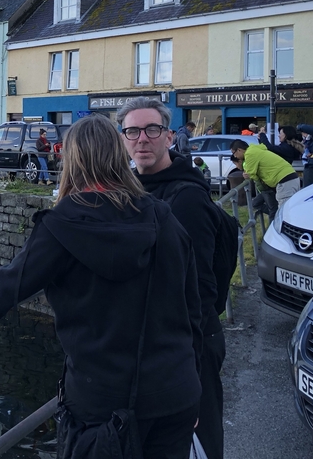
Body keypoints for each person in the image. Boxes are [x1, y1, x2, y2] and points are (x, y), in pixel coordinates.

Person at [0, 114, 201, 459]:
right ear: (120, 155)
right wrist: (195, 386)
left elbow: (2, 291)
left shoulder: (63, 226)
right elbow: (193, 311)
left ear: (71, 160)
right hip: (174, 394)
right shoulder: (165, 217)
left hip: (101, 406)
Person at [116, 96, 225, 459]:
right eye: (132, 131)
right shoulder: (129, 190)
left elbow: (200, 293)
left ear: (168, 136)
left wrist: (190, 378)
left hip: (187, 348)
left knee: (195, 443)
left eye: (151, 129)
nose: (141, 139)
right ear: (123, 138)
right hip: (149, 345)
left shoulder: (186, 198)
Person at [230, 140, 301, 213]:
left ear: (239, 150)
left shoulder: (249, 154)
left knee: (284, 211)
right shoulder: (255, 149)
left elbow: (250, 174)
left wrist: (247, 175)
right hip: (290, 177)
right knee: (291, 208)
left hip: (284, 181)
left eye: (233, 153)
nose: (234, 156)